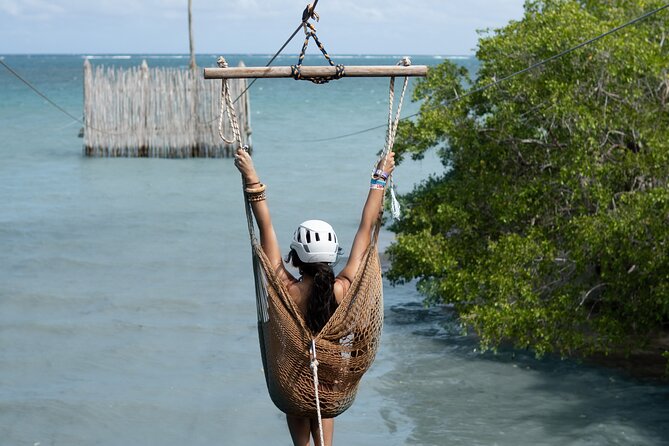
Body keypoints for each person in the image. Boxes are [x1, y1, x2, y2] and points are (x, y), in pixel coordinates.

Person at [234, 147, 395, 446]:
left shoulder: (284, 290)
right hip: (331, 393)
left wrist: (251, 176)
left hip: (291, 390)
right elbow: (366, 227)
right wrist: (380, 177)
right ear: (333, 256)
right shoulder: (345, 290)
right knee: (324, 399)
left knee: (299, 408)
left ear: (295, 257)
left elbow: (265, 227)